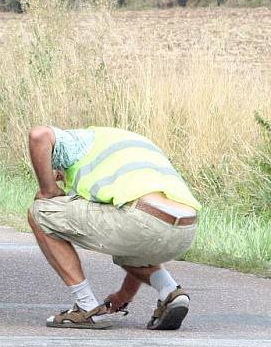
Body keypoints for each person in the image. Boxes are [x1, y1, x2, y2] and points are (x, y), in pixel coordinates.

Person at [27, 126, 200, 330]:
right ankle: (170, 292)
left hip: (141, 220)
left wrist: (49, 190)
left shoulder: (77, 144)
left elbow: (39, 136)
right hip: (185, 230)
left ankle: (86, 307)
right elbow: (140, 236)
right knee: (129, 237)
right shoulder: (127, 148)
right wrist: (124, 294)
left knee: (40, 212)